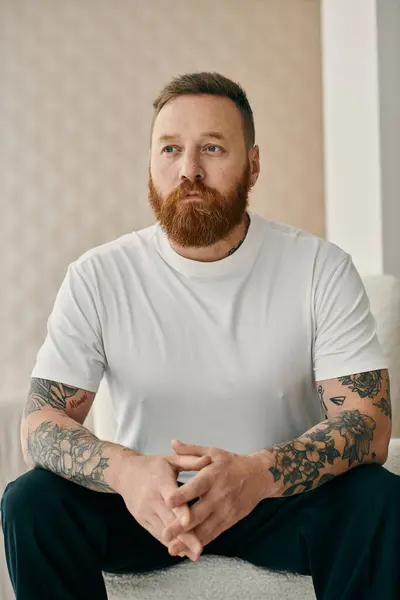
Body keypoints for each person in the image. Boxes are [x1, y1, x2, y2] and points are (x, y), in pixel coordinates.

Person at [1, 71, 398, 600]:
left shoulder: (319, 268)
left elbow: (369, 425)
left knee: (377, 497)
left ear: (252, 164)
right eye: (170, 149)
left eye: (212, 147)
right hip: (145, 509)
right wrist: (127, 472)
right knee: (31, 501)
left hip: (274, 498)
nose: (189, 170)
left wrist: (258, 474)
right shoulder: (98, 275)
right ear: (150, 163)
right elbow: (39, 424)